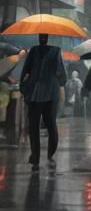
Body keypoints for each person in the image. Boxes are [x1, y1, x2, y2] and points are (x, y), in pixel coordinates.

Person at [21, 35, 66, 169]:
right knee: (48, 124)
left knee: (37, 125)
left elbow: (26, 71)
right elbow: (62, 75)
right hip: (48, 93)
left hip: (38, 94)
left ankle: (37, 156)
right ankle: (45, 153)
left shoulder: (35, 51)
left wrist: (24, 87)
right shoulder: (55, 51)